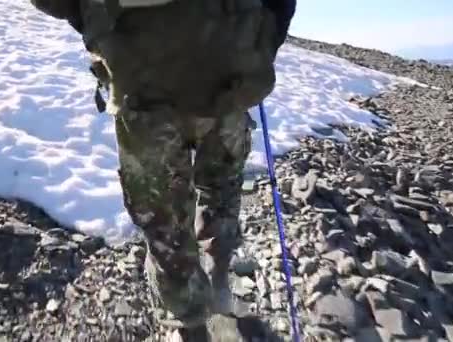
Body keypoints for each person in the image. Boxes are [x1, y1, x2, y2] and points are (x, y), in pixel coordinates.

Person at [30, 0, 296, 340]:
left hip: (141, 76)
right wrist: (260, 42)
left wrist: (95, 23)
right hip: (228, 67)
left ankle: (190, 320)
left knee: (163, 216)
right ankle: (218, 270)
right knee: (222, 184)